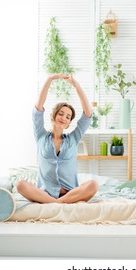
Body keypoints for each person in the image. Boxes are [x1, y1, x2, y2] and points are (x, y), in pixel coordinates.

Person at [16, 74, 99, 203]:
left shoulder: (73, 139)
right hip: (45, 193)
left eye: (68, 117)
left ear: (69, 123)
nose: (63, 118)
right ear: (53, 115)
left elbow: (88, 115)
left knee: (93, 185)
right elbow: (37, 109)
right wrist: (49, 79)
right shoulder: (41, 136)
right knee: (20, 184)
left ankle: (56, 203)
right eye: (61, 114)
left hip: (70, 193)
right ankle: (57, 203)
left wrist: (76, 85)